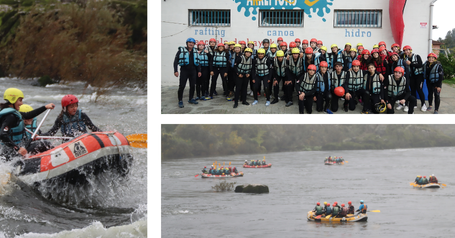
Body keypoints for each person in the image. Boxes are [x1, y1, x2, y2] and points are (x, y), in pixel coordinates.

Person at [0, 88, 56, 161]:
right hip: (12, 152)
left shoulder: (13, 114)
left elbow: (28, 115)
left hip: (11, 150)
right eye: (20, 100)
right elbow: (2, 134)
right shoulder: (10, 117)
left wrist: (45, 107)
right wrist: (17, 148)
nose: (22, 103)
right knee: (45, 144)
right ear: (12, 100)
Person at [173, 37, 202, 108]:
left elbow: (198, 62)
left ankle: (191, 98)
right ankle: (180, 100)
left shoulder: (195, 51)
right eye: (189, 43)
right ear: (187, 43)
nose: (191, 44)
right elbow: (175, 61)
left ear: (194, 44)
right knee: (182, 86)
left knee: (192, 86)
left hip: (193, 71)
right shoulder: (181, 51)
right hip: (184, 71)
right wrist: (175, 70)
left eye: (192, 43)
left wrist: (199, 71)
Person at [403, 45, 426, 111]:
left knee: (419, 89)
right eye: (405, 50)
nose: (406, 51)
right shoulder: (406, 58)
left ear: (410, 50)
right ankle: (414, 103)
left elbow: (420, 65)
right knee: (412, 90)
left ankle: (423, 104)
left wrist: (411, 64)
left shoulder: (417, 56)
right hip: (411, 76)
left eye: (407, 50)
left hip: (419, 76)